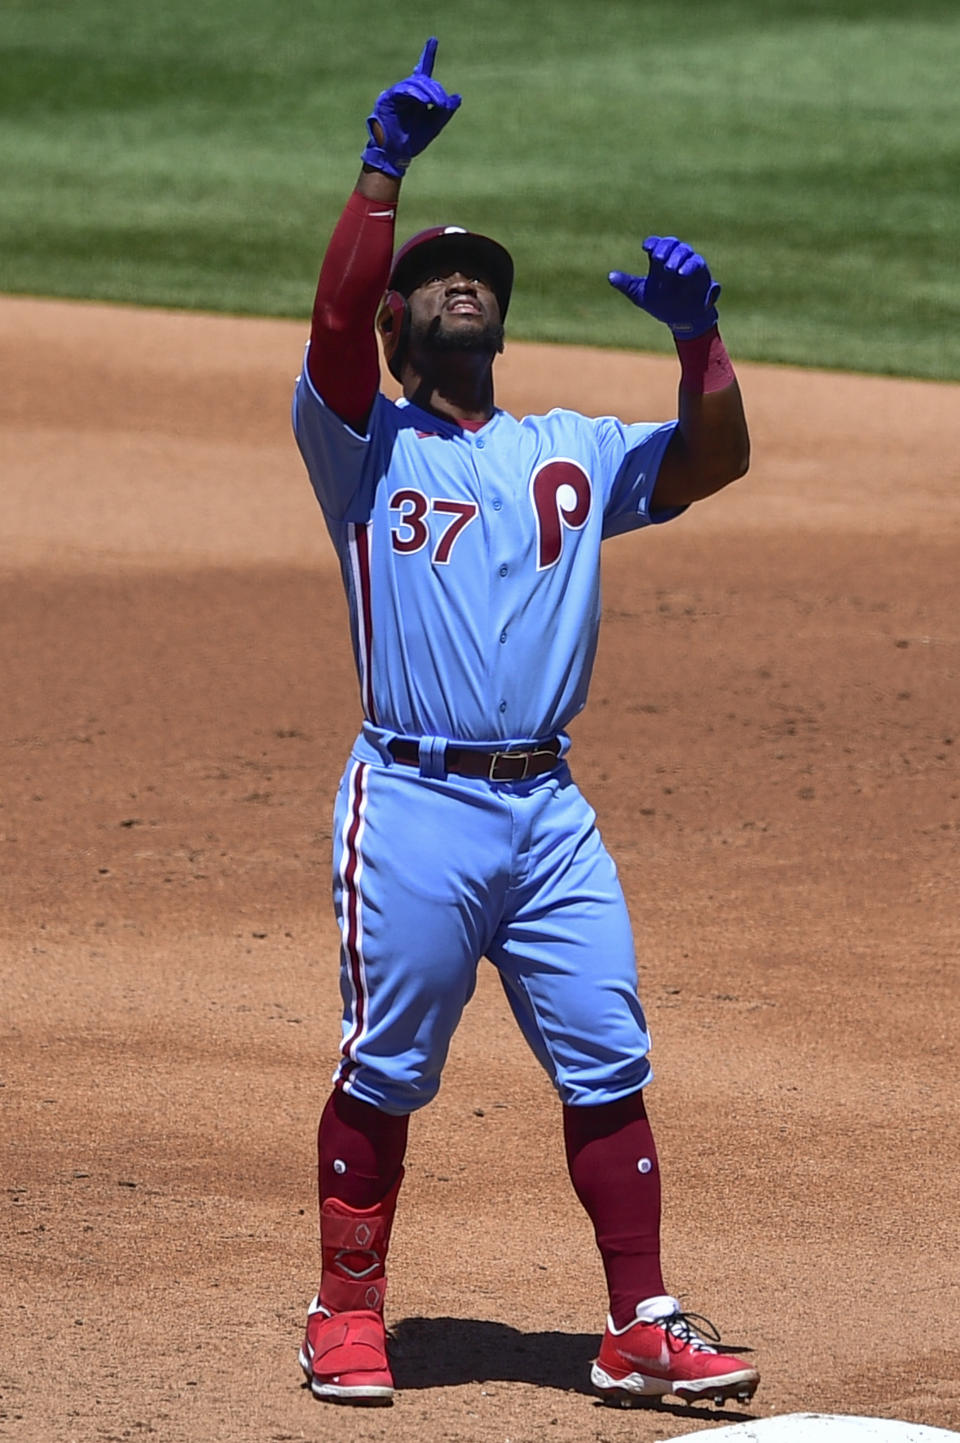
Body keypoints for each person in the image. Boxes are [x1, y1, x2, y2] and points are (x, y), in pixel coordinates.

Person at [291, 38, 758, 1410]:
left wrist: (698, 338)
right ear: (394, 324)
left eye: (483, 276)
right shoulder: (360, 448)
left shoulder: (567, 448)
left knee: (609, 1060)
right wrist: (383, 171)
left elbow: (714, 459)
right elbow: (328, 325)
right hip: (416, 805)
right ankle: (345, 1314)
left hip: (550, 814)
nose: (463, 283)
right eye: (440, 274)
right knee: (388, 1069)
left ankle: (641, 1323)